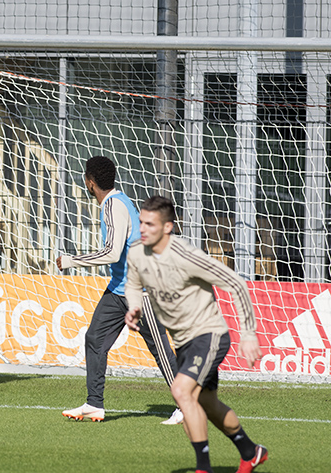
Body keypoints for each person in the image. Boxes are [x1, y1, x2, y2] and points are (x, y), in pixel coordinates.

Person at [124, 195, 267, 473]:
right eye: (141, 222)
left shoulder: (187, 256)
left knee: (180, 391)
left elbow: (236, 284)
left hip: (209, 333)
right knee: (207, 403)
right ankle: (251, 452)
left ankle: (203, 469)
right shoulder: (137, 252)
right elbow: (132, 284)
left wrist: (248, 334)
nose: (142, 228)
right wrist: (135, 307)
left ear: (167, 227)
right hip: (183, 341)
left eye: (150, 224)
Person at [56, 156, 180, 424]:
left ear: (90, 183)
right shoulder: (117, 201)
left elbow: (111, 253)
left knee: (160, 349)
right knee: (95, 339)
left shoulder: (114, 205)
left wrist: (71, 260)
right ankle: (94, 404)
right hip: (118, 290)